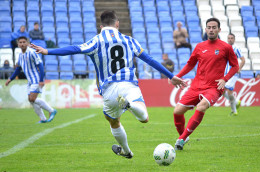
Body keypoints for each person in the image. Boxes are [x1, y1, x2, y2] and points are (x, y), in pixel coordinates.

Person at [31, 11, 186, 159]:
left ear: (101, 26)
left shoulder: (96, 40)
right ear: (117, 23)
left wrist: (47, 51)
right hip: (128, 84)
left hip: (109, 89)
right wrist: (171, 76)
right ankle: (131, 105)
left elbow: (75, 49)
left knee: (112, 119)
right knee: (144, 118)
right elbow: (149, 60)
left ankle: (126, 151)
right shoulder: (129, 40)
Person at [171, 18, 239, 150]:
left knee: (201, 107)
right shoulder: (199, 47)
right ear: (206, 29)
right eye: (209, 27)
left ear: (219, 30)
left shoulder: (226, 47)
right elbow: (190, 64)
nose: (211, 30)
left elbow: (235, 66)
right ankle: (184, 136)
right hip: (196, 86)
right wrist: (177, 76)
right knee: (177, 112)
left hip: (214, 87)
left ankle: (181, 139)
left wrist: (225, 79)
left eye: (214, 27)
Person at [5, 36, 57, 123]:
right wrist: (10, 79)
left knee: (32, 99)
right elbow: (18, 69)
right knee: (31, 101)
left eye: (24, 42)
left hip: (36, 79)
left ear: (28, 43)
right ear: (18, 44)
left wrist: (41, 79)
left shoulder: (32, 52)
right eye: (20, 42)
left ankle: (51, 110)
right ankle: (43, 119)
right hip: (30, 81)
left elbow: (40, 65)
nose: (22, 44)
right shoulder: (20, 55)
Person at [223, 33, 245, 116]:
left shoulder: (236, 48)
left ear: (234, 39)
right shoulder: (224, 48)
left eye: (232, 38)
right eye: (229, 38)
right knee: (221, 91)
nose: (230, 39)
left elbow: (243, 60)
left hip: (233, 73)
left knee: (229, 91)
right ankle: (236, 102)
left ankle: (234, 111)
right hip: (224, 73)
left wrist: (239, 69)